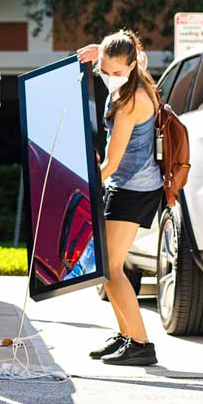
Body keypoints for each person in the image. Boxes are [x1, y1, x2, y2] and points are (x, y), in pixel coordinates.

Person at [78, 30, 162, 366]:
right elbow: (135, 54)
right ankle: (127, 335)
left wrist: (77, 186)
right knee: (107, 267)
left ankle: (141, 343)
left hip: (136, 189)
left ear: (129, 69)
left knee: (110, 267)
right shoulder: (133, 76)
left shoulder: (131, 101)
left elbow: (111, 163)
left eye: (117, 73)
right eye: (104, 71)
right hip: (126, 186)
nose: (110, 79)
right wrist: (100, 51)